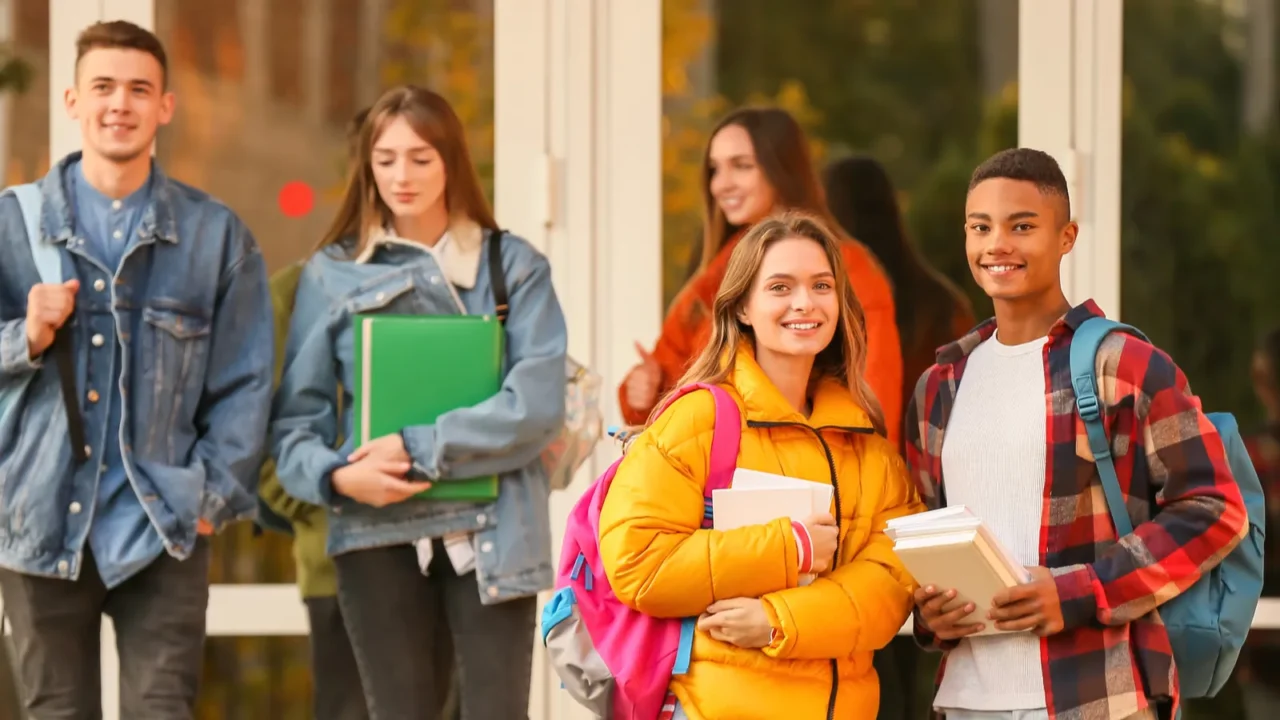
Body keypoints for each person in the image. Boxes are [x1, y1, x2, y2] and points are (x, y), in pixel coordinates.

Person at [905, 148, 1248, 720]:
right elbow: (922, 534)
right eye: (980, 227)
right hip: (964, 700)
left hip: (1097, 697)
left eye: (1023, 226)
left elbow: (1216, 508)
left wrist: (1082, 591)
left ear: (1066, 237)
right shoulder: (939, 386)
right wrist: (929, 614)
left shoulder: (1126, 365)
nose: (998, 245)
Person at [0, 20, 272, 719]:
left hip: (163, 527)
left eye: (138, 89)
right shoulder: (11, 227)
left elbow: (244, 382)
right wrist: (24, 337)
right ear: (71, 100)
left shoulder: (215, 236)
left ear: (165, 107)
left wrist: (208, 499)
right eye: (103, 87)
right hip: (38, 523)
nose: (120, 103)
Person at [270, 85, 567, 719]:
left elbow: (537, 405)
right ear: (368, 166)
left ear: (452, 161)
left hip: (495, 533)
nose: (401, 176)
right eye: (386, 159)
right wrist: (338, 475)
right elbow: (296, 425)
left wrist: (418, 447)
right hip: (376, 534)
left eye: (421, 157)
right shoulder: (331, 273)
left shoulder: (512, 266)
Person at [599, 211, 922, 719]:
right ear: (743, 307)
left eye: (821, 285)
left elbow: (893, 584)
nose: (804, 303)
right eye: (779, 287)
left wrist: (778, 618)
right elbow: (638, 563)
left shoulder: (869, 446)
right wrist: (787, 547)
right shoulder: (697, 418)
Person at [618, 107, 903, 447]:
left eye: (741, 165)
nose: (721, 184)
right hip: (716, 473)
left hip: (819, 474)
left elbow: (876, 393)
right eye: (714, 169)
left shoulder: (849, 268)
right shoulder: (718, 273)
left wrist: (851, 472)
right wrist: (642, 392)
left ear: (782, 170)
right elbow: (668, 388)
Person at [823, 153, 976, 720]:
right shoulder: (942, 303)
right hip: (932, 510)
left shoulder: (839, 301)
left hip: (859, 508)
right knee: (922, 677)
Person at [256, 106, 374, 720]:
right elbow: (260, 445)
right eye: (382, 161)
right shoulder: (295, 292)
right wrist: (327, 503)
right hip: (338, 567)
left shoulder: (465, 290)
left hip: (451, 569)